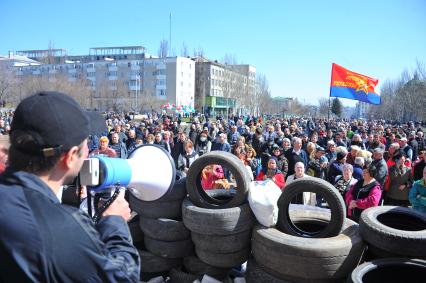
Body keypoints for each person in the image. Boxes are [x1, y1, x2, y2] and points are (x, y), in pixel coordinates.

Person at [0, 91, 140, 282]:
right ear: (71, 156)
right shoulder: (61, 228)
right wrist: (114, 223)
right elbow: (123, 277)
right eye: (85, 147)